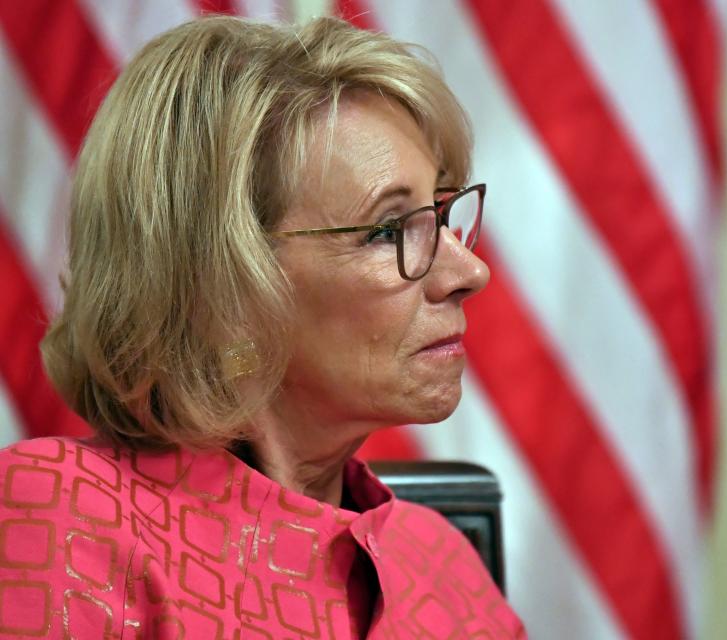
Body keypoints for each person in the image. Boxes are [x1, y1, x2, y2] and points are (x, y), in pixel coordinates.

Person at [0, 16, 525, 639]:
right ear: (224, 288)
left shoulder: (442, 567)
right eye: (388, 230)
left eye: (440, 212)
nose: (469, 270)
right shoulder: (62, 514)